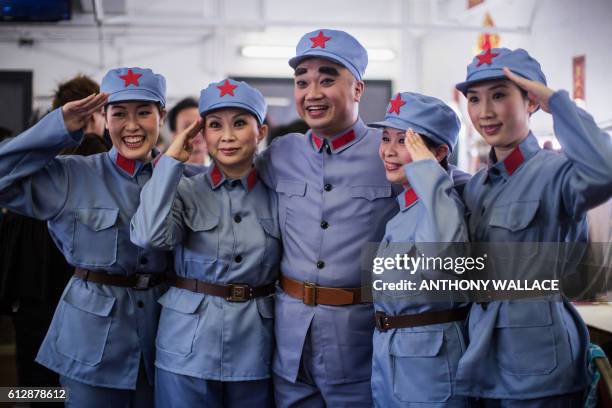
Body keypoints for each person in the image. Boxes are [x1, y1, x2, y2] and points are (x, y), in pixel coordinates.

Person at [0, 67, 173, 407]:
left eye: (144, 113)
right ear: (103, 118)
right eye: (119, 113)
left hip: (161, 338)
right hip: (90, 343)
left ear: (161, 116)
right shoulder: (73, 175)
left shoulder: (179, 179)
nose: (132, 125)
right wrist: (58, 127)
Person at [453, 48, 612, 406]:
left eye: (499, 95)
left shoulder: (555, 172)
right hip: (481, 354)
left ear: (531, 102)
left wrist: (557, 102)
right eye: (474, 100)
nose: (485, 112)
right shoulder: (477, 186)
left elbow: (605, 170)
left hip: (538, 360)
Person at [257, 29, 399, 407]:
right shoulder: (280, 154)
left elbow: (459, 192)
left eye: (327, 79)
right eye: (302, 81)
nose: (312, 92)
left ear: (357, 89)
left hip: (359, 344)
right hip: (290, 345)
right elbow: (220, 184)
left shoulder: (390, 152)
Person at [131, 78, 279, 408]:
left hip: (255, 346)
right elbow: (147, 235)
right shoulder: (183, 188)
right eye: (215, 125)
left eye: (240, 123)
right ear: (203, 134)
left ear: (262, 132)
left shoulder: (279, 195)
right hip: (187, 345)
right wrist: (170, 162)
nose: (227, 136)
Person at [0, 74, 110, 396]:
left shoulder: (29, 164)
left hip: (31, 297)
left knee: (37, 389)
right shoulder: (105, 165)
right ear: (97, 113)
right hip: (88, 300)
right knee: (81, 391)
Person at [369, 92, 472, 407]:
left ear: (439, 152)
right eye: (386, 138)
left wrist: (429, 174)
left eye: (404, 142)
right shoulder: (404, 210)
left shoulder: (442, 204)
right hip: (392, 356)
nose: (388, 151)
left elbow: (442, 262)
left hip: (431, 366)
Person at [167, 97, 210, 166]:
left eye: (201, 126)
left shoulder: (225, 171)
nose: (197, 133)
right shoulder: (164, 174)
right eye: (187, 127)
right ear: (174, 136)